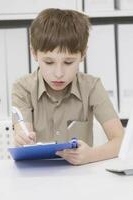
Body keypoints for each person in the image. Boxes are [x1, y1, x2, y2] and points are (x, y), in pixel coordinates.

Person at [12, 8, 124, 165]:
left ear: (83, 54)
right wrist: (22, 139)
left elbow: (121, 140)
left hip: (80, 179)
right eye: (49, 62)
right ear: (34, 54)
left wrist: (91, 155)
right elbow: (24, 137)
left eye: (68, 62)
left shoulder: (92, 87)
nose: (58, 73)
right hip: (36, 178)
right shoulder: (22, 88)